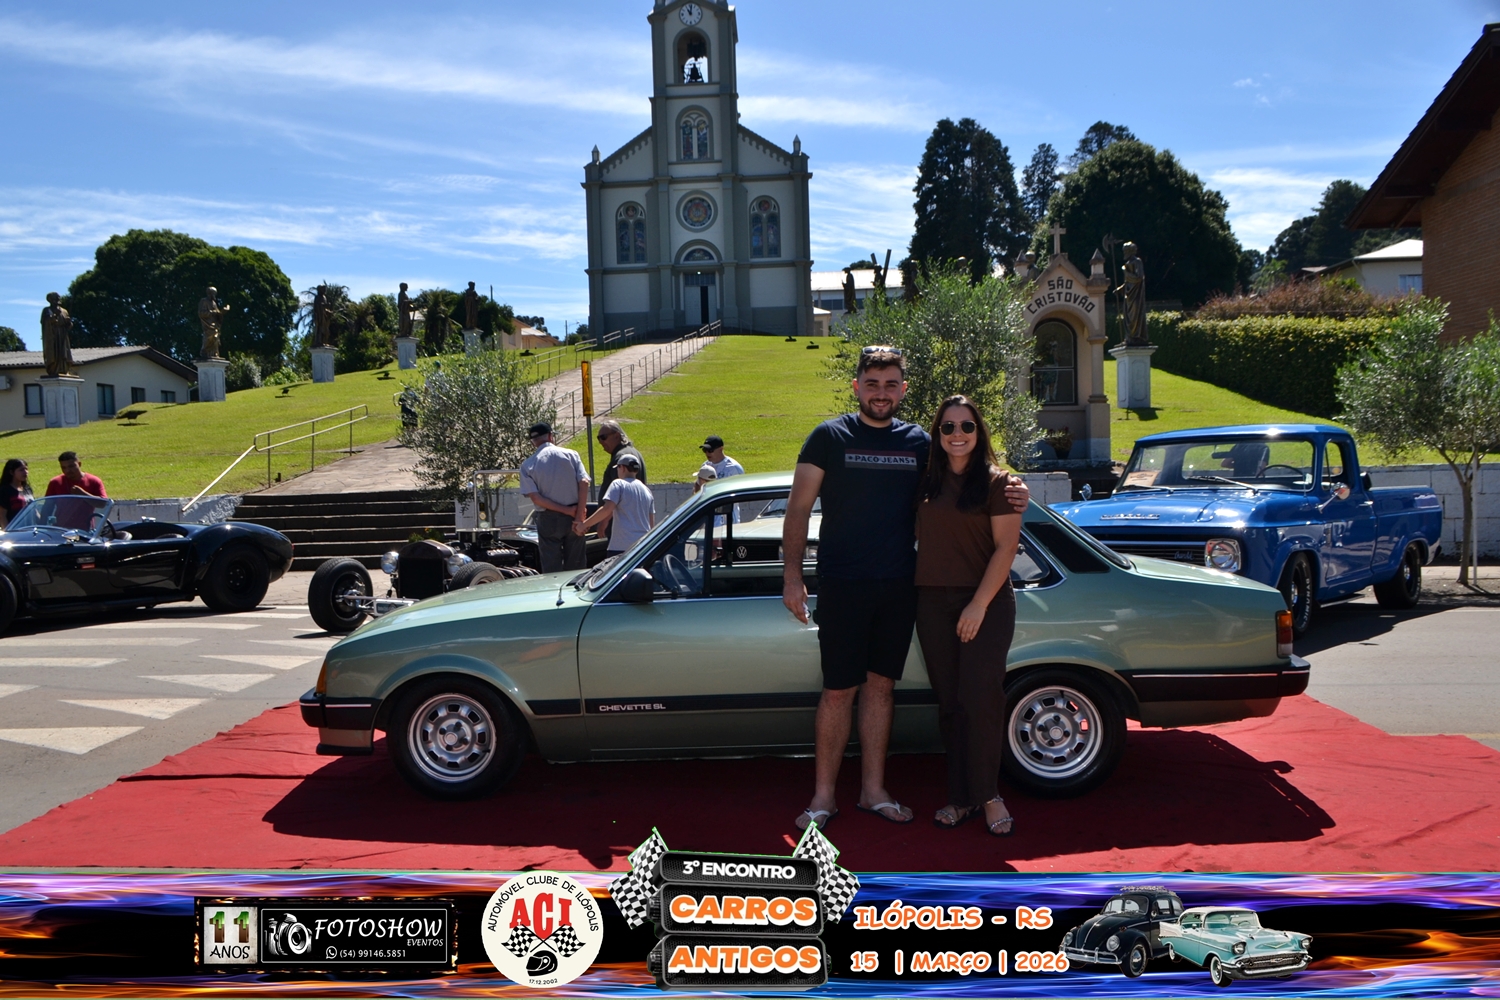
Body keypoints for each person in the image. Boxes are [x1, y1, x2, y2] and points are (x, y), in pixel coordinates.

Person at [781, 346, 1029, 831]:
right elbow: (798, 508)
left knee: (881, 689)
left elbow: (966, 476)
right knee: (838, 691)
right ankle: (824, 797)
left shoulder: (918, 442)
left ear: (903, 389)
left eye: (890, 384)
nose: (881, 393)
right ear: (857, 386)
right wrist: (792, 576)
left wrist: (1014, 485)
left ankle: (874, 791)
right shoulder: (828, 437)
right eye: (872, 384)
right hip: (842, 584)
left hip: (900, 587)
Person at [914, 396, 1022, 837]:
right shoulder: (924, 482)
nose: (957, 434)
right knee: (951, 704)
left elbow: (1007, 548)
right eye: (948, 427)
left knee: (981, 700)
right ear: (937, 434)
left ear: (979, 432)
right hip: (931, 602)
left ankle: (989, 795)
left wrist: (977, 605)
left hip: (987, 603)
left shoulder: (1000, 483)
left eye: (966, 426)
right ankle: (961, 799)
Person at [519, 422, 590, 573]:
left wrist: (566, 510)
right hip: (575, 514)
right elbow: (584, 483)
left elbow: (537, 499)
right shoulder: (572, 455)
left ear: (533, 442)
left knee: (551, 567)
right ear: (551, 436)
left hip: (548, 519)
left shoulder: (528, 465)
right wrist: (578, 516)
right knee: (576, 565)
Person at [576, 453, 653, 554]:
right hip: (642, 546)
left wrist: (584, 525)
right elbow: (651, 522)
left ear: (622, 468)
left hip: (621, 546)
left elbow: (607, 509)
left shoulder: (618, 484)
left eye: (618, 468)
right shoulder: (647, 490)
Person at [0, 459, 32, 527]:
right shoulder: (4, 491)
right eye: (21, 470)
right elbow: (2, 516)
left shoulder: (27, 489)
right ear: (11, 472)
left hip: (29, 529)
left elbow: (33, 509)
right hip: (14, 530)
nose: (25, 472)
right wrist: (7, 531)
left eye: (26, 469)